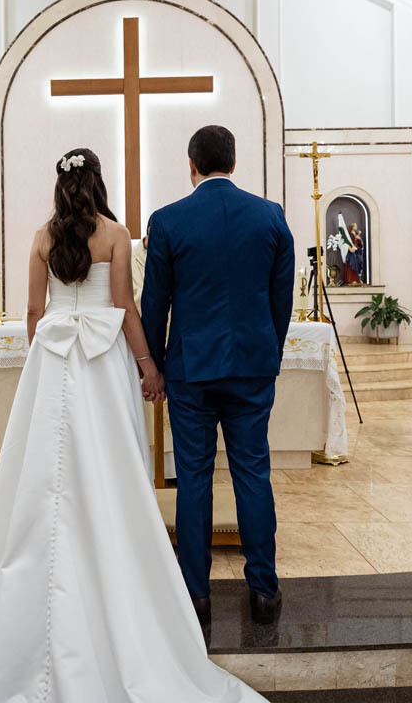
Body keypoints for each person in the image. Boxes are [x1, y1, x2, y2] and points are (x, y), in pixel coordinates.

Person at [0, 147, 266, 702]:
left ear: (61, 186)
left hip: (54, 356)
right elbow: (126, 309)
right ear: (97, 183)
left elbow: (35, 314)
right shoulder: (116, 234)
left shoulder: (41, 237)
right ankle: (112, 554)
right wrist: (148, 367)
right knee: (107, 461)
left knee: (45, 466)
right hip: (103, 360)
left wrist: (43, 356)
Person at [140, 125, 295, 628]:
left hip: (191, 370)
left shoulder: (167, 221)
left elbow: (155, 302)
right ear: (233, 161)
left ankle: (196, 596)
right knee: (253, 473)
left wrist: (158, 365)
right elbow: (281, 299)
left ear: (192, 165)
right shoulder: (271, 217)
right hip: (252, 367)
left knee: (195, 479)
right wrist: (267, 353)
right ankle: (265, 594)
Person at [343, 222, 364, 286]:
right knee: (353, 264)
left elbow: (359, 243)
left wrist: (359, 239)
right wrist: (350, 248)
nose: (356, 227)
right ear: (352, 227)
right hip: (352, 252)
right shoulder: (349, 235)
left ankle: (357, 279)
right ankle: (351, 279)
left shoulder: (356, 234)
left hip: (357, 251)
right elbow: (347, 242)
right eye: (355, 226)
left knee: (359, 263)